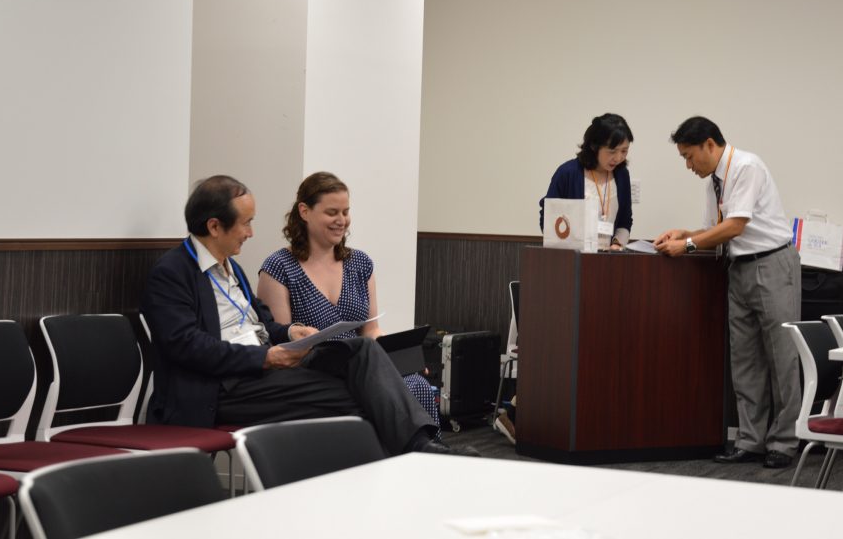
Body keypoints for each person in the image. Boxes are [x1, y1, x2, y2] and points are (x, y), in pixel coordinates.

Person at [141, 175, 468, 456]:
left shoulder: (231, 268)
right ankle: (421, 454)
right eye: (246, 223)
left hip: (264, 371)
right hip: (223, 387)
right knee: (365, 396)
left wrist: (289, 333)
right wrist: (265, 358)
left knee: (361, 350)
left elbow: (262, 324)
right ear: (214, 226)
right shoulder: (172, 273)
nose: (251, 232)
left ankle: (421, 452)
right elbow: (185, 346)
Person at [653, 116, 801, 469]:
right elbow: (715, 230)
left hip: (771, 264)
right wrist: (684, 233)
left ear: (709, 143)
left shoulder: (747, 166)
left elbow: (736, 225)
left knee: (782, 359)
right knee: (745, 360)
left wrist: (687, 245)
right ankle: (750, 440)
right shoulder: (713, 181)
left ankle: (784, 441)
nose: (689, 165)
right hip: (739, 269)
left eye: (690, 156)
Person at [257, 171, 441, 429]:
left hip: (363, 367)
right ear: (304, 211)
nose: (341, 221)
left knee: (416, 383)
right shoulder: (279, 267)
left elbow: (370, 330)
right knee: (382, 392)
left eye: (345, 212)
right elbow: (280, 342)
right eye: (332, 212)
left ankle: (423, 460)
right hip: (311, 375)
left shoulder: (360, 263)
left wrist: (399, 360)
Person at [539, 113, 634, 250]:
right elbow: (548, 216)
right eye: (612, 151)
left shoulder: (621, 175)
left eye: (624, 151)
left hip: (609, 259)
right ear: (594, 146)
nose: (618, 158)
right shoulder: (567, 173)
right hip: (572, 260)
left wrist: (618, 244)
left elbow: (625, 220)